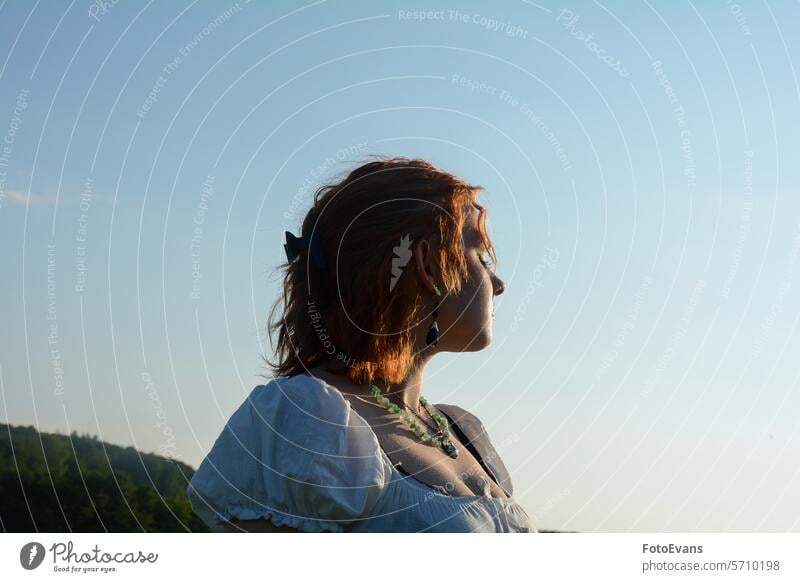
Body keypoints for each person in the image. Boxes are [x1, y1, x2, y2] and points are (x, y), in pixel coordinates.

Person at [187, 156, 535, 532]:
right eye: (480, 256)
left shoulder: (465, 430)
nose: (498, 284)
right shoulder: (309, 420)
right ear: (428, 266)